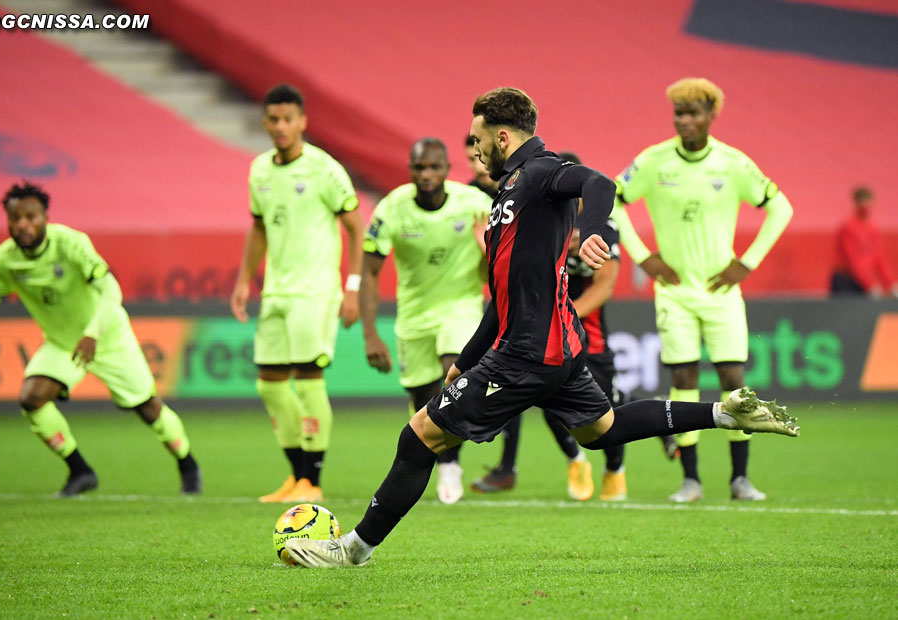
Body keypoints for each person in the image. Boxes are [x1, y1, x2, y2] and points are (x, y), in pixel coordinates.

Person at [285, 87, 799, 567]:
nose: (476, 148)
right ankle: (724, 415)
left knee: (419, 436)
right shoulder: (508, 190)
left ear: (502, 137)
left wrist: (594, 229)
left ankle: (352, 549)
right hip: (553, 345)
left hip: (527, 351)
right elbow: (503, 294)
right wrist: (465, 360)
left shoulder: (539, 172)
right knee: (604, 428)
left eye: (478, 138)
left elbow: (597, 182)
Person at [610, 78, 794, 503]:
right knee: (683, 377)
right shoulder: (654, 162)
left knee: (733, 378)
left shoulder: (732, 163)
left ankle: (740, 479)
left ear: (712, 116)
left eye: (694, 113)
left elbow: (781, 207)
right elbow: (613, 199)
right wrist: (641, 256)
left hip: (720, 292)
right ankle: (690, 480)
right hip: (674, 292)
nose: (685, 121)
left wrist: (746, 261)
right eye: (679, 113)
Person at [0, 182, 202, 497]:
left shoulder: (71, 244)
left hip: (107, 337)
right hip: (63, 344)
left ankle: (187, 462)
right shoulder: (5, 260)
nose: (23, 224)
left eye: (31, 216)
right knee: (31, 398)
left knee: (148, 408)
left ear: (45, 217)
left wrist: (93, 333)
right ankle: (80, 470)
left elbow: (111, 290)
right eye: (15, 218)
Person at [471, 152, 678, 502]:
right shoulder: (539, 221)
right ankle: (576, 460)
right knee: (549, 404)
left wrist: (566, 313)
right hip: (549, 333)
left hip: (588, 334)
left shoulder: (604, 226)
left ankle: (615, 471)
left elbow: (604, 285)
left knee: (608, 413)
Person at [231, 84, 363, 504]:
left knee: (307, 379)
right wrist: (242, 280)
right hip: (276, 292)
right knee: (269, 384)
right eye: (274, 119)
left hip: (315, 291)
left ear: (303, 121)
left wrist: (352, 287)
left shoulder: (324, 169)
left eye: (289, 119)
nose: (281, 126)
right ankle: (294, 476)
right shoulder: (259, 171)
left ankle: (313, 479)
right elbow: (258, 228)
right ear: (265, 122)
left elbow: (357, 227)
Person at [360, 137, 491, 504]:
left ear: (449, 170)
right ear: (411, 170)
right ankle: (440, 459)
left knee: (455, 372)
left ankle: (451, 464)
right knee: (423, 399)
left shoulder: (475, 205)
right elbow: (369, 271)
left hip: (461, 306)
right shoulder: (392, 208)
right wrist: (370, 334)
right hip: (415, 314)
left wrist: (486, 248)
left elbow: (497, 268)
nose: (427, 174)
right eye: (420, 167)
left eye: (435, 167)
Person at [830, 186, 898, 298]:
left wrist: (891, 284)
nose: (865, 205)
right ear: (856, 202)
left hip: (863, 283)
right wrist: (870, 285)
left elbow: (879, 259)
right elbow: (853, 260)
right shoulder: (848, 227)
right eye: (862, 201)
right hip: (847, 281)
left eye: (867, 201)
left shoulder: (873, 229)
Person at [465, 134, 500, 198]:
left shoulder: (519, 188)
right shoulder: (471, 193)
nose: (479, 168)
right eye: (472, 159)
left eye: (483, 156)